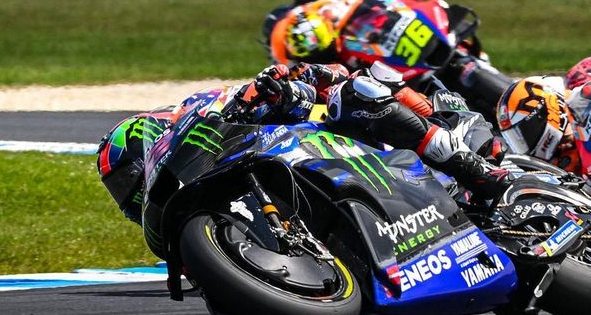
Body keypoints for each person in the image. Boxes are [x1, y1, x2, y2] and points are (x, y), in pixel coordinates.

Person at [96, 60, 512, 226]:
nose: (128, 192)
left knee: (359, 95)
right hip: (330, 182)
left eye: (127, 176)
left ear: (152, 143)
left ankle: (472, 168)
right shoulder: (195, 214)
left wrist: (286, 90)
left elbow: (315, 74)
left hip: (342, 137)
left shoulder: (206, 113)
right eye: (119, 190)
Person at [261, 0, 437, 66]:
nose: (324, 56)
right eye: (318, 55)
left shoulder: (334, 11)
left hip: (399, 26)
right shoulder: (301, 61)